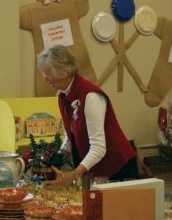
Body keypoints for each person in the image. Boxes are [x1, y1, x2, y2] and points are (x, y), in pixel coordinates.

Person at [37, 44, 137, 181]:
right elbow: (69, 134)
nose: (45, 78)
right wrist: (56, 159)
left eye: (48, 74)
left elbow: (98, 147)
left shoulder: (91, 96)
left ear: (64, 72)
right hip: (98, 169)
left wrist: (73, 175)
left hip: (118, 168)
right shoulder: (64, 96)